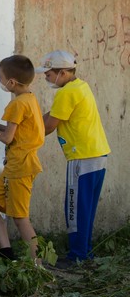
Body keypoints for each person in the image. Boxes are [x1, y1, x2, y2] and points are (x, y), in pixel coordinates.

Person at [38, 50, 111, 267]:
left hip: (81, 157)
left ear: (62, 72)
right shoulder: (81, 86)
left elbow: (49, 125)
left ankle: (76, 257)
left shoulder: (66, 93)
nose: (46, 78)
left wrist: (20, 133)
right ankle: (84, 253)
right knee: (86, 208)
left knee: (74, 207)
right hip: (98, 153)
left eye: (49, 74)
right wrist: (30, 121)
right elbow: (52, 115)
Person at [0, 55, 45, 262]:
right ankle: (7, 255)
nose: (0, 81)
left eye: (1, 77)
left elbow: (8, 138)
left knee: (20, 217)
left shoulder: (16, 105)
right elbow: (14, 131)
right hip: (16, 165)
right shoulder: (29, 99)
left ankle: (38, 265)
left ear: (12, 82)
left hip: (20, 167)